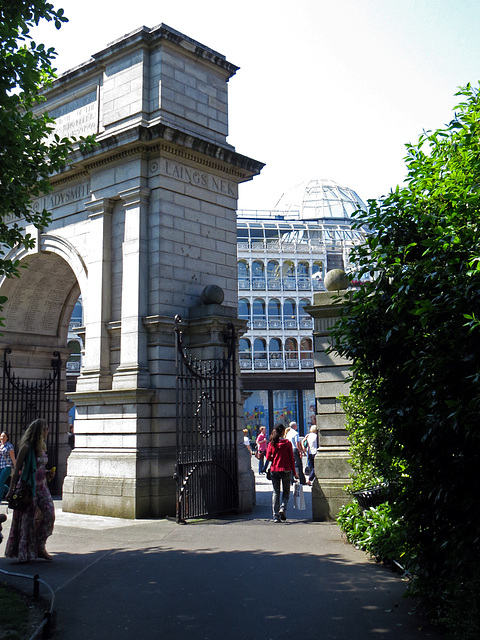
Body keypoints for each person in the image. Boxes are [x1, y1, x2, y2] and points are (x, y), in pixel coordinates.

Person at [5, 418, 56, 562]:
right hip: (29, 487)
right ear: (39, 431)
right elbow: (17, 470)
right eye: (46, 428)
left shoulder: (42, 447)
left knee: (49, 514)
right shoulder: (26, 447)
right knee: (28, 520)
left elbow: (38, 467)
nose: (48, 431)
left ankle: (40, 544)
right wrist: (11, 489)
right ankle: (26, 551)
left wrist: (47, 473)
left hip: (42, 486)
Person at [266, 424, 298, 522]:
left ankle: (275, 516)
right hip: (286, 469)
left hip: (274, 469)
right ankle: (282, 508)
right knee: (286, 492)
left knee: (276, 492)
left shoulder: (272, 443)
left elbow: (268, 458)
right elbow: (291, 458)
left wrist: (274, 457)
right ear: (283, 432)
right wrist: (294, 471)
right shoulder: (287, 443)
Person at [0, 432, 16, 497]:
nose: (2, 438)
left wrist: (17, 468)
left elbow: (13, 458)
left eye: (4, 436)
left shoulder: (9, 446)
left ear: (7, 438)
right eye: (1, 436)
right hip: (0, 466)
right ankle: (10, 492)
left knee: (0, 481)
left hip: (7, 466)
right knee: (1, 482)